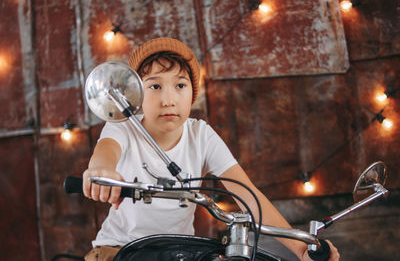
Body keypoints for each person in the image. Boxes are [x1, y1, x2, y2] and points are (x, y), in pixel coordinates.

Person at [82, 37, 340, 261]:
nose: (168, 99)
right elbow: (105, 152)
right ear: (134, 93)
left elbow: (248, 196)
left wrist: (300, 248)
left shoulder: (201, 135)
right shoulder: (124, 127)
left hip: (178, 252)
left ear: (193, 91)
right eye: (155, 86)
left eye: (180, 85)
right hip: (118, 249)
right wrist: (102, 171)